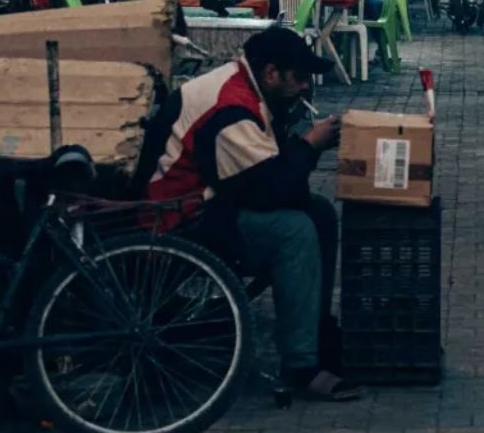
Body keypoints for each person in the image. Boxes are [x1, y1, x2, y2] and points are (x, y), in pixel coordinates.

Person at [143, 26, 360, 402]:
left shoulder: (250, 89)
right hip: (179, 216)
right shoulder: (232, 108)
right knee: (293, 231)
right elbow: (268, 189)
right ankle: (301, 364)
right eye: (299, 77)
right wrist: (309, 146)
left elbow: (267, 180)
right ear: (271, 73)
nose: (306, 87)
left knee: (320, 213)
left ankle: (317, 333)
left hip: (212, 198)